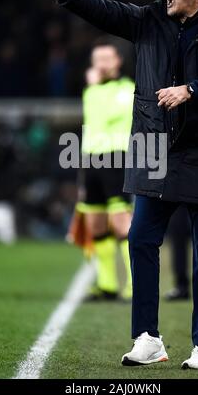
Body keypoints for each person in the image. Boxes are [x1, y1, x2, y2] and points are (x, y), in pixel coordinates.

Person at [16, 0, 198, 370]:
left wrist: (191, 90)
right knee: (141, 238)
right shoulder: (149, 20)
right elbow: (102, 8)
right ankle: (147, 338)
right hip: (153, 146)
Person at [73, 40, 134, 301]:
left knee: (122, 225)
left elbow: (108, 116)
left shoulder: (127, 90)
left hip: (116, 158)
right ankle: (107, 284)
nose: (100, 64)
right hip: (91, 160)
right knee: (96, 224)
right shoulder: (91, 90)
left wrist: (95, 86)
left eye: (106, 59)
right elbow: (92, 123)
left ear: (118, 61)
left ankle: (135, 284)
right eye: (96, 59)